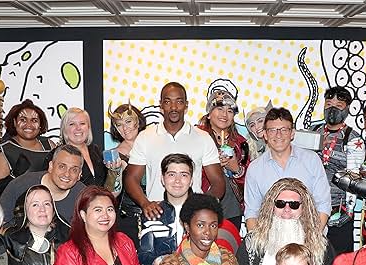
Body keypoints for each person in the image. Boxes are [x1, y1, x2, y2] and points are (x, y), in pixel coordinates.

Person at [124, 82, 225, 224]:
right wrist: (145, 203)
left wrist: (201, 206)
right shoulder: (145, 137)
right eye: (167, 102)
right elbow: (131, 178)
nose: (173, 107)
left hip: (193, 220)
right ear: (161, 105)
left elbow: (218, 182)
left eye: (179, 101)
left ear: (186, 105)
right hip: (157, 216)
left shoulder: (203, 138)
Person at [244, 108, 331, 231]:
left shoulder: (312, 160)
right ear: (265, 134)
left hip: (309, 237)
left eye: (284, 130)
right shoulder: (255, 169)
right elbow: (252, 212)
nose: (278, 135)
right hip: (270, 240)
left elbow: (323, 204)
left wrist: (312, 237)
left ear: (292, 133)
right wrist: (258, 244)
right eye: (272, 130)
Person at [310, 86, 358, 253]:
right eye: (329, 103)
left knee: (338, 263)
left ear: (347, 109)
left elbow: (354, 180)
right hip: (310, 210)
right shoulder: (312, 132)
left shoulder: (353, 139)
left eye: (338, 105)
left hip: (339, 211)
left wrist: (349, 212)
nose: (332, 108)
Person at [198, 88, 249, 229]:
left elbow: (251, 180)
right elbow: (186, 170)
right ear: (209, 113)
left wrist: (237, 170)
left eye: (230, 110)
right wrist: (211, 166)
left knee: (229, 249)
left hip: (232, 210)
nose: (224, 114)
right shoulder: (196, 137)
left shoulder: (241, 143)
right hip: (203, 204)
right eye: (219, 109)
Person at [0, 144, 84, 224]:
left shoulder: (84, 196)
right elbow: (0, 224)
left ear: (80, 174)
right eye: (62, 166)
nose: (67, 174)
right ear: (51, 166)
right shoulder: (21, 185)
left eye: (74, 170)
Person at [0, 99, 56, 194]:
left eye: (34, 120)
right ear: (14, 122)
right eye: (23, 120)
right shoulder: (3, 152)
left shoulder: (49, 145)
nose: (28, 125)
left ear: (40, 124)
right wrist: (14, 178)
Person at [105, 103, 147, 243]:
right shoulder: (116, 155)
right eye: (119, 124)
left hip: (157, 212)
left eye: (128, 121)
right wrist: (114, 172)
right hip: (129, 219)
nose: (125, 128)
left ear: (138, 121)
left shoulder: (153, 143)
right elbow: (111, 194)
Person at [54, 107, 106, 187]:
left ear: (88, 127)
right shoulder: (57, 154)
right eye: (72, 124)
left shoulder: (95, 150)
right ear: (64, 129)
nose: (78, 128)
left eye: (82, 123)